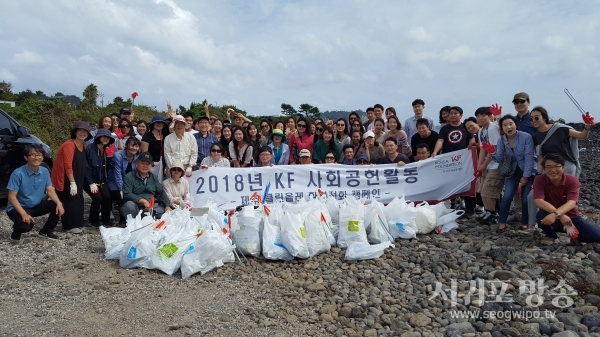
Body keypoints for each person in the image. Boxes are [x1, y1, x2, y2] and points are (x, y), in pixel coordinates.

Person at [534, 153, 600, 245]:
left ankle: (573, 235)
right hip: (552, 217)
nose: (553, 170)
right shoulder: (539, 179)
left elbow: (572, 202)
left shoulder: (572, 180)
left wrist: (556, 214)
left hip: (572, 218)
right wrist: (559, 215)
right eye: (548, 167)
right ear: (544, 169)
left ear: (563, 167)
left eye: (557, 166)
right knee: (541, 215)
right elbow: (539, 201)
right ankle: (551, 235)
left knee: (597, 236)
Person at [7, 144, 64, 241]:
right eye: (33, 155)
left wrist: (59, 203)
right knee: (26, 227)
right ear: (26, 157)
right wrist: (24, 214)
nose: (36, 158)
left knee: (58, 205)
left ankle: (46, 231)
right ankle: (16, 231)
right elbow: (11, 197)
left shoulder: (45, 171)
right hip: (17, 208)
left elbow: (50, 190)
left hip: (35, 205)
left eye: (39, 155)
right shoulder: (18, 173)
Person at [491, 115, 536, 233]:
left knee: (526, 199)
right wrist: (492, 152)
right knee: (506, 197)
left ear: (516, 124)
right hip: (512, 172)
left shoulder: (526, 137)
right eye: (505, 125)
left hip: (528, 171)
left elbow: (529, 157)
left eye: (511, 123)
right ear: (501, 128)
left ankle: (525, 223)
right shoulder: (501, 139)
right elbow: (499, 159)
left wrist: (525, 177)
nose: (508, 127)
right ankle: (502, 223)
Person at [51, 122, 91, 234]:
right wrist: (72, 182)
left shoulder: (84, 146)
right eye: (80, 130)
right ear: (75, 131)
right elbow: (67, 165)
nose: (82, 133)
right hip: (66, 178)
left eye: (85, 131)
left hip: (77, 177)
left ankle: (77, 224)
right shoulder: (69, 145)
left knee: (79, 201)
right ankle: (68, 226)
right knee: (70, 201)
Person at [531, 106, 591, 177]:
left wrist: (587, 125)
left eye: (536, 118)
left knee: (567, 187)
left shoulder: (560, 129)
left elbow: (582, 135)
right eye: (531, 119)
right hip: (549, 168)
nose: (534, 120)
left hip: (566, 166)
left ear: (544, 117)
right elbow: (540, 157)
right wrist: (539, 173)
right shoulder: (535, 137)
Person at [121, 152, 173, 219]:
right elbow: (127, 193)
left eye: (148, 164)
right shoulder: (129, 177)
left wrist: (167, 205)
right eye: (142, 163)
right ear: (136, 163)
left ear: (151, 165)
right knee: (129, 206)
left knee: (164, 210)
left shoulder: (153, 177)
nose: (145, 166)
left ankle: (146, 218)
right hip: (136, 206)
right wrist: (142, 201)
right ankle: (137, 221)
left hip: (151, 207)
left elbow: (160, 192)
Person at [474, 107, 503, 225]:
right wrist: (479, 165)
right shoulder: (481, 131)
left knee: (489, 190)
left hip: (496, 165)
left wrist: (484, 164)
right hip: (488, 165)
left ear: (489, 116)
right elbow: (482, 149)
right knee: (482, 190)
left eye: (483, 115)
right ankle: (487, 212)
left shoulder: (493, 128)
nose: (480, 118)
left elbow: (494, 149)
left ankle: (493, 214)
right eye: (478, 116)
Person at [84, 129, 115, 227]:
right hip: (90, 181)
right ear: (98, 137)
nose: (105, 139)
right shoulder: (89, 148)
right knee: (97, 198)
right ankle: (93, 220)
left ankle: (106, 220)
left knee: (107, 197)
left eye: (108, 138)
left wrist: (110, 157)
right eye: (103, 137)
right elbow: (86, 167)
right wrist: (90, 182)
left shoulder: (107, 149)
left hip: (102, 181)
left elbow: (110, 167)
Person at [108, 137, 140, 213]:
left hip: (128, 181)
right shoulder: (118, 155)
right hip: (114, 180)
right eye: (132, 145)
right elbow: (117, 173)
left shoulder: (137, 157)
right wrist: (121, 188)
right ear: (127, 145)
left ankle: (124, 216)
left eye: (136, 146)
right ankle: (110, 210)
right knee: (118, 195)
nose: (134, 148)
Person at [141, 116, 169, 182]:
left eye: (161, 123)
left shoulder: (166, 136)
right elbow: (144, 153)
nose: (159, 124)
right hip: (151, 165)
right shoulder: (147, 136)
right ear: (153, 124)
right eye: (156, 122)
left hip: (164, 165)